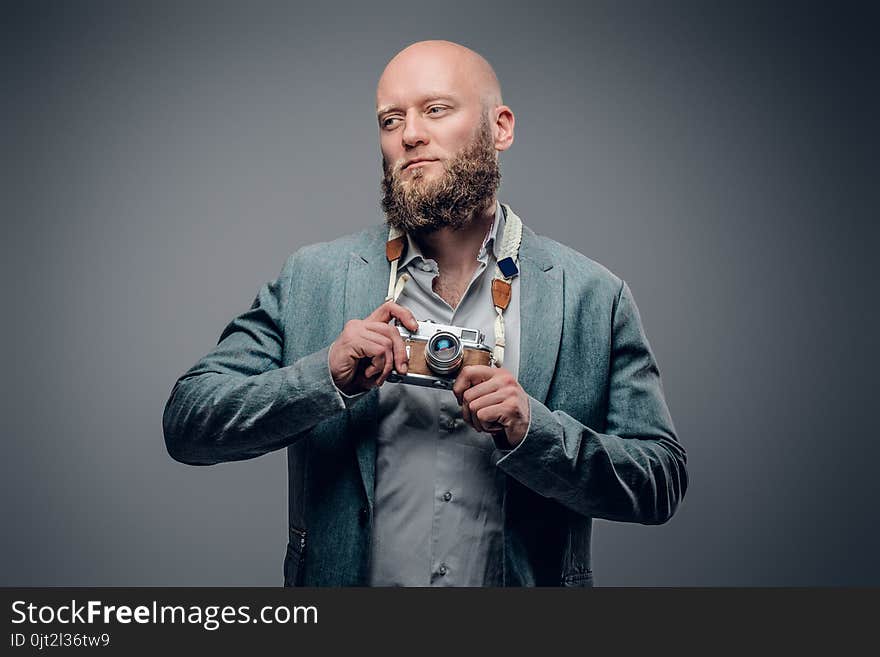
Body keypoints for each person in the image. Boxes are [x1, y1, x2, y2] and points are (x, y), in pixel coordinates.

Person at [162, 40, 687, 587]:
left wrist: (534, 431)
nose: (409, 134)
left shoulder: (593, 297)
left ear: (500, 127)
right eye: (391, 119)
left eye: (435, 109)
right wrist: (324, 377)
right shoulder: (311, 278)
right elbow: (187, 424)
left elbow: (660, 481)